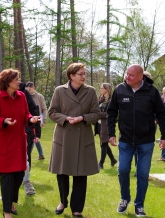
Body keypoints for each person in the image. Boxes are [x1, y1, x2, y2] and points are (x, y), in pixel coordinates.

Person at [107, 64, 165, 217]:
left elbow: (161, 114)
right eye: (127, 74)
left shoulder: (152, 92)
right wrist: (111, 133)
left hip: (146, 141)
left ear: (141, 77)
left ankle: (139, 205)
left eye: (131, 75)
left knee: (142, 174)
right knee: (123, 170)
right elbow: (111, 112)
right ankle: (124, 198)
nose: (127, 77)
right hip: (126, 140)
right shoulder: (120, 90)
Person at [48, 63, 100, 217]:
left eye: (84, 74)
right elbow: (52, 112)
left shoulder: (90, 91)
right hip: (64, 136)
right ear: (71, 76)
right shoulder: (59, 91)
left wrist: (82, 117)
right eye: (80, 74)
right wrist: (65, 118)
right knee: (62, 172)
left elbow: (97, 114)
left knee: (80, 174)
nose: (84, 77)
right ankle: (63, 201)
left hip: (83, 137)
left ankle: (77, 208)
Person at [0, 68, 40, 218]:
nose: (19, 82)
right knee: (6, 178)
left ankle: (10, 201)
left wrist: (31, 119)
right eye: (16, 79)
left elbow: (25, 114)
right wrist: (3, 121)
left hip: (18, 142)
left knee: (19, 175)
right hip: (4, 143)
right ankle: (6, 211)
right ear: (7, 82)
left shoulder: (22, 96)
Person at [98, 83, 117, 170]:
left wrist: (99, 114)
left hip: (106, 123)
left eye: (102, 88)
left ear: (107, 89)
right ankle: (113, 159)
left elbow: (111, 114)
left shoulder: (111, 100)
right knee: (104, 142)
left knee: (104, 143)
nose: (101, 89)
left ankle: (101, 163)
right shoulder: (100, 99)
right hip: (99, 123)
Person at [26, 82, 47, 160]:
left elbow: (44, 109)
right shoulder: (26, 96)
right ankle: (40, 154)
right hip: (30, 119)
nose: (28, 91)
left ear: (33, 88)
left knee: (34, 136)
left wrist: (44, 120)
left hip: (38, 117)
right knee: (34, 137)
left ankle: (29, 155)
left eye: (29, 89)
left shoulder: (40, 97)